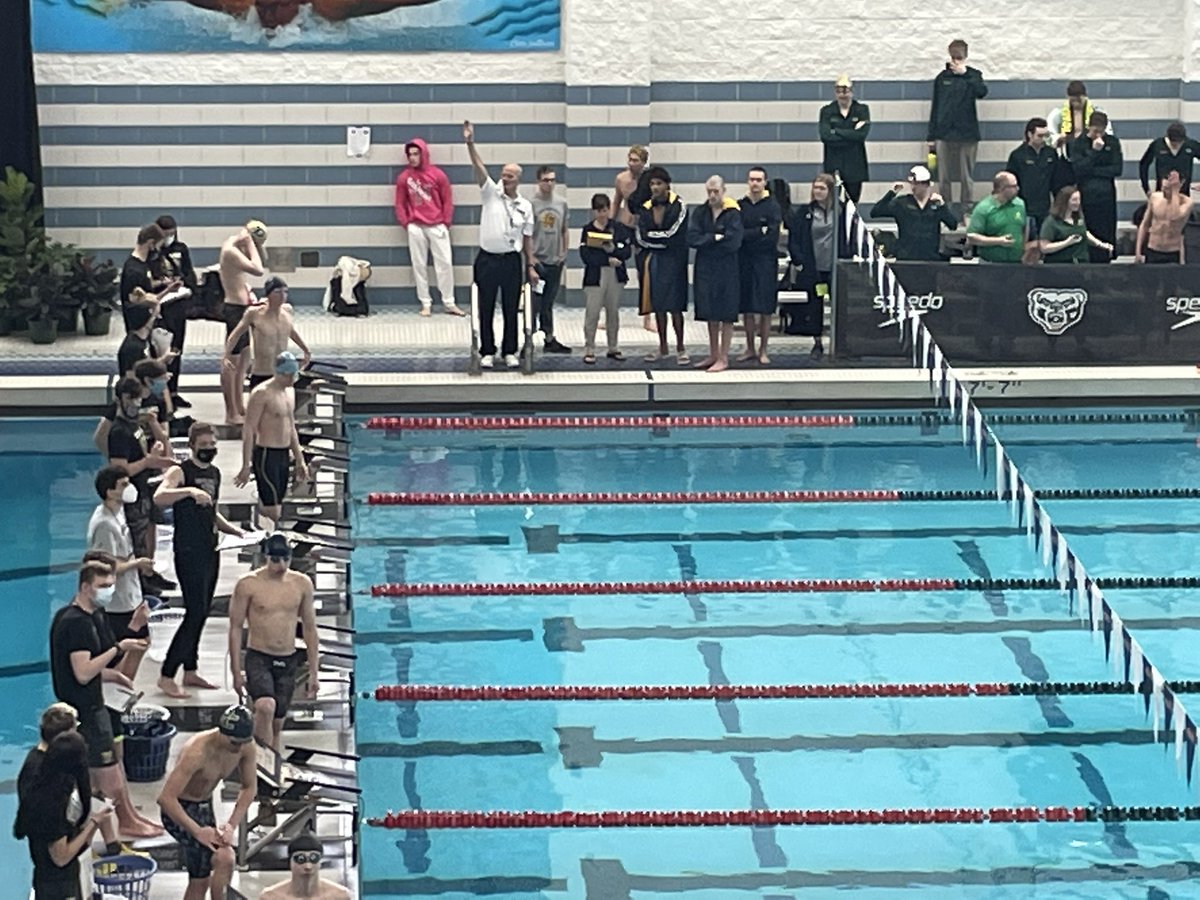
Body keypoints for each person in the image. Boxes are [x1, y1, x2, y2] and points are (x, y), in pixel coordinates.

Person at [49, 560, 162, 838]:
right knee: (108, 777)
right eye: (103, 586)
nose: (109, 591)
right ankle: (123, 823)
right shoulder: (75, 624)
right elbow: (83, 672)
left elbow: (95, 669)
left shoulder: (93, 616)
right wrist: (117, 648)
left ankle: (127, 817)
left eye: (111, 585)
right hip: (85, 711)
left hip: (98, 704)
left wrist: (114, 676)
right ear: (85, 587)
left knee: (110, 767)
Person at [155, 423, 245, 699]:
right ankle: (167, 674)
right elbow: (159, 497)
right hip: (188, 551)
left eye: (212, 445)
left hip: (210, 549)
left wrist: (238, 532)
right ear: (192, 446)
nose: (208, 450)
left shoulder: (214, 473)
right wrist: (189, 491)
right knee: (194, 612)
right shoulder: (180, 472)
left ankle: (190, 669)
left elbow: (212, 512)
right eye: (203, 445)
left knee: (202, 610)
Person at [228, 534, 319, 751]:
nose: (281, 565)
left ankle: (269, 771)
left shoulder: (302, 584)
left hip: (288, 659)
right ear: (265, 558)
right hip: (259, 656)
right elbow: (235, 627)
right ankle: (259, 767)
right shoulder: (248, 584)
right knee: (265, 707)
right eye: (275, 560)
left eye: (285, 560)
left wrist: (314, 671)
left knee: (277, 724)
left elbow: (309, 628)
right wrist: (236, 672)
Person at [157, 705, 257, 900]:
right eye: (234, 742)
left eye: (243, 742)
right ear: (222, 732)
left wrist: (231, 825)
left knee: (225, 858)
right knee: (200, 879)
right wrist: (197, 831)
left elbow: (249, 787)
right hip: (179, 810)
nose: (238, 748)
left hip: (204, 806)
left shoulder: (245, 746)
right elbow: (166, 799)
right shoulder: (197, 752)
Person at [462, 120, 538, 369]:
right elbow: (478, 167)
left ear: (518, 179)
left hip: (511, 260)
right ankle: (486, 350)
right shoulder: (490, 193)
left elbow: (527, 238)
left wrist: (531, 265)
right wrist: (470, 143)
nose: (504, 179)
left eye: (509, 176)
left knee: (510, 308)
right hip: (487, 259)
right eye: (503, 174)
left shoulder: (526, 206)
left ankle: (509, 350)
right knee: (485, 307)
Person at [13, 732, 117, 900]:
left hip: (53, 878)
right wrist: (94, 823)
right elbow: (61, 857)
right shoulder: (52, 804)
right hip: (59, 886)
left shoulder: (44, 784)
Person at [18, 704, 124, 864]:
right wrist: (95, 822)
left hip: (56, 845)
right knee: (99, 806)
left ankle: (112, 849)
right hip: (58, 873)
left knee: (98, 798)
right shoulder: (49, 788)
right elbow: (60, 858)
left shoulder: (47, 759)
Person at [86, 466, 152, 681]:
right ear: (109, 491)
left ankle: (123, 691)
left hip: (130, 594)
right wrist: (137, 563)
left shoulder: (118, 511)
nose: (129, 488)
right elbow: (106, 567)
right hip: (117, 603)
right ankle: (118, 696)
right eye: (123, 485)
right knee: (124, 651)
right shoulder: (104, 524)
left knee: (141, 643)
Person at [106, 376, 176, 576]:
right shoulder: (119, 431)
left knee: (150, 529)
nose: (136, 403)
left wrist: (161, 461)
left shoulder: (134, 424)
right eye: (131, 398)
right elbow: (119, 470)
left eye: (138, 398)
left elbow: (143, 456)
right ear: (120, 399)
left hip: (145, 487)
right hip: (132, 494)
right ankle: (141, 579)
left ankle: (150, 572)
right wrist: (147, 462)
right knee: (137, 539)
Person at [236, 352, 309, 528]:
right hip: (266, 455)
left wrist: (300, 460)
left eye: (295, 375)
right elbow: (249, 429)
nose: (293, 379)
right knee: (273, 509)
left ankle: (258, 530)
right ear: (280, 373)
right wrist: (246, 465)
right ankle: (264, 533)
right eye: (290, 375)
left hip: (283, 455)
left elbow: (291, 427)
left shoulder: (289, 392)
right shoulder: (261, 393)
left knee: (278, 504)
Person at [394, 137, 462, 316]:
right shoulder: (404, 178)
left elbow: (447, 200)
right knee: (419, 265)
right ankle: (425, 302)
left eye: (416, 154)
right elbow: (399, 203)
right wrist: (406, 222)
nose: (412, 158)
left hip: (437, 224)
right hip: (415, 225)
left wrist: (446, 221)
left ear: (423, 154)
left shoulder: (438, 175)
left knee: (445, 263)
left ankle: (449, 302)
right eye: (409, 155)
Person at [687, 175, 743, 373]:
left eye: (716, 191)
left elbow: (734, 242)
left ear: (724, 190)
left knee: (726, 313)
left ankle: (724, 357)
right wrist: (715, 237)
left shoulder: (733, 214)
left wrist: (708, 241)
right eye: (709, 191)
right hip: (706, 268)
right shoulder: (701, 212)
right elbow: (692, 238)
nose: (712, 195)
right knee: (710, 312)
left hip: (727, 268)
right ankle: (713, 353)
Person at [787, 173, 846, 359]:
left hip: (835, 267)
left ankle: (840, 343)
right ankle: (817, 341)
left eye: (822, 188)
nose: (818, 191)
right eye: (815, 188)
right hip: (814, 267)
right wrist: (800, 261)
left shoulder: (841, 211)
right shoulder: (806, 211)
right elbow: (794, 238)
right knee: (815, 305)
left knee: (839, 305)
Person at [635, 166, 690, 365]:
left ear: (667, 185)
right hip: (655, 260)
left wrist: (654, 239)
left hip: (675, 261)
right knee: (658, 305)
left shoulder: (680, 206)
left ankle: (681, 346)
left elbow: (674, 235)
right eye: (652, 184)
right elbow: (640, 236)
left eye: (659, 184)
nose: (655, 187)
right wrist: (660, 241)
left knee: (675, 306)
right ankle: (663, 346)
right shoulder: (646, 208)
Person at [926, 39, 987, 209]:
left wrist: (964, 73)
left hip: (967, 133)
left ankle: (966, 207)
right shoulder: (942, 78)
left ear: (965, 56)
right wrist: (931, 136)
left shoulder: (973, 75)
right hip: (943, 133)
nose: (956, 60)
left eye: (959, 57)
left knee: (965, 175)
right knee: (943, 175)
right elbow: (936, 106)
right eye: (953, 56)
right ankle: (945, 207)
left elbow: (982, 92)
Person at [222, 276, 311, 391]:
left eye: (285, 292)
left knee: (283, 407)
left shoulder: (287, 311)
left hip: (282, 374)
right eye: (277, 292)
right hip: (261, 372)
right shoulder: (254, 314)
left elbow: (290, 331)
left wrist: (305, 350)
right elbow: (236, 334)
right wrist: (226, 355)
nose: (282, 296)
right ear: (268, 294)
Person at [218, 221, 268, 425]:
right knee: (232, 361)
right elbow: (258, 269)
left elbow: (259, 263)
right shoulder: (230, 250)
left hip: (242, 308)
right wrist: (249, 242)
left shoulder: (236, 247)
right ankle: (231, 412)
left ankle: (239, 407)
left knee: (245, 358)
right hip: (234, 310)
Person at [578, 193, 631, 364]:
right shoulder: (588, 230)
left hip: (614, 276)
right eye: (599, 211)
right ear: (594, 212)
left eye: (605, 210)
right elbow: (586, 255)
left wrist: (614, 249)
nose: (603, 214)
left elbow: (626, 250)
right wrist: (606, 260)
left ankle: (613, 347)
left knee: (613, 313)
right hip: (595, 276)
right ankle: (590, 348)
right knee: (592, 313)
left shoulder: (618, 228)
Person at [151, 214, 198, 406]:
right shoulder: (152, 253)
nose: (169, 237)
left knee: (177, 348)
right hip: (161, 305)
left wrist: (184, 283)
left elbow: (189, 272)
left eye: (172, 234)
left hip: (178, 303)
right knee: (161, 348)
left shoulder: (181, 249)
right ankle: (159, 391)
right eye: (166, 234)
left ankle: (174, 390)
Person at [737, 166, 782, 365]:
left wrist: (752, 234)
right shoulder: (740, 205)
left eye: (759, 180)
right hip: (745, 260)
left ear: (765, 182)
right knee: (747, 306)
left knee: (765, 308)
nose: (755, 183)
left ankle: (764, 349)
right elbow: (738, 235)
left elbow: (772, 236)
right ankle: (750, 348)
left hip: (765, 260)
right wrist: (758, 231)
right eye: (752, 179)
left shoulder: (773, 206)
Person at [870, 164, 958, 261]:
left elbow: (953, 225)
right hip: (906, 257)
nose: (913, 186)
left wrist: (942, 206)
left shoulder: (936, 205)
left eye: (916, 183)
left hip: (930, 258)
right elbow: (875, 212)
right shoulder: (902, 203)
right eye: (912, 183)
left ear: (926, 184)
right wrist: (891, 193)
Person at [612, 145, 656, 333]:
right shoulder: (621, 179)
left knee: (644, 272)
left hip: (642, 228)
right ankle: (611, 315)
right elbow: (616, 202)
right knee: (615, 270)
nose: (631, 164)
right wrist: (610, 225)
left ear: (644, 162)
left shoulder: (650, 182)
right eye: (629, 159)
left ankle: (647, 317)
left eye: (635, 160)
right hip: (624, 226)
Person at [1069, 112, 1123, 263]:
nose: (1098, 135)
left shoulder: (1112, 143)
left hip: (1106, 196)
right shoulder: (1078, 143)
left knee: (1107, 230)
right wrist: (1094, 152)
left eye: (1101, 131)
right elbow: (1078, 169)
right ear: (1089, 127)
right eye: (1095, 131)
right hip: (1087, 196)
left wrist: (1092, 171)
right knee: (1088, 231)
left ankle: (1107, 256)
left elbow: (1117, 169)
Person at [530, 165, 571, 353]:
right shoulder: (531, 204)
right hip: (538, 261)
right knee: (534, 304)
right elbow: (527, 234)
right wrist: (530, 260)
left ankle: (549, 337)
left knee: (548, 303)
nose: (549, 183)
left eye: (552, 180)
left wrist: (564, 252)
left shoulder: (561, 203)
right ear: (539, 181)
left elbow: (564, 228)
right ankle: (527, 339)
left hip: (555, 261)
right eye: (546, 180)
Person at [818, 75, 871, 204]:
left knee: (852, 204)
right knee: (832, 202)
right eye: (839, 92)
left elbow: (861, 135)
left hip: (855, 164)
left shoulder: (861, 110)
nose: (843, 95)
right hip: (833, 162)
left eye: (846, 91)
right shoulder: (827, 111)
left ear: (851, 91)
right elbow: (825, 136)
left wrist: (836, 131)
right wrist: (851, 132)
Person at [119, 223, 180, 333]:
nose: (157, 250)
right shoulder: (133, 270)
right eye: (158, 246)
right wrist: (167, 291)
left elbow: (148, 293)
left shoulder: (142, 264)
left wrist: (167, 288)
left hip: (145, 323)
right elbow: (145, 300)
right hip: (139, 326)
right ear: (151, 243)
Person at [260, 832, 352, 900]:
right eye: (300, 859)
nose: (308, 866)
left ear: (320, 862)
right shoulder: (271, 897)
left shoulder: (339, 896)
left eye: (313, 859)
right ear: (290, 862)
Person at [1005, 118, 1058, 233]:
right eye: (1040, 136)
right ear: (1030, 134)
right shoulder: (1018, 155)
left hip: (1045, 206)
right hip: (1024, 206)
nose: (1043, 139)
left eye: (1046, 135)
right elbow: (1011, 181)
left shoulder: (1051, 153)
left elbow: (1056, 179)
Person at [1039, 185, 1113, 264]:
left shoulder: (1079, 218)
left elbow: (1084, 233)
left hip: (1081, 264)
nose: (1078, 203)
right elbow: (1044, 247)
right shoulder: (1052, 222)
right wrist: (1067, 242)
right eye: (1074, 200)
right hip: (1060, 265)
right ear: (1065, 201)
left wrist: (1101, 244)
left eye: (1079, 199)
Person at [1136, 170, 1193, 263]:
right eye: (1163, 188)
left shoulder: (1186, 202)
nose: (1164, 192)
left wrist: (1175, 192)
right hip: (1153, 249)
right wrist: (1138, 251)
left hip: (1172, 251)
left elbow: (1174, 217)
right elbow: (1144, 224)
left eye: (1168, 189)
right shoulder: (1155, 198)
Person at [117, 299, 176, 379]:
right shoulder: (132, 347)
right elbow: (132, 376)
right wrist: (163, 359)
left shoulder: (145, 339)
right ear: (147, 321)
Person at [1139, 122, 1200, 196]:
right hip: (1161, 193)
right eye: (1173, 142)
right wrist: (1146, 189)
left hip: (1183, 193)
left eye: (1179, 142)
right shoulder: (1158, 145)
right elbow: (1144, 164)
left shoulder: (1191, 145)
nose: (1176, 145)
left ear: (1183, 140)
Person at [1048, 81, 1110, 153]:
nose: (1076, 103)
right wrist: (1059, 138)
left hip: (1090, 150)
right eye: (1073, 100)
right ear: (1068, 97)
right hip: (1067, 151)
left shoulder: (1096, 111)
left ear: (1085, 96)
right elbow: (1050, 133)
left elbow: (1108, 132)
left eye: (1079, 100)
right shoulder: (1058, 113)